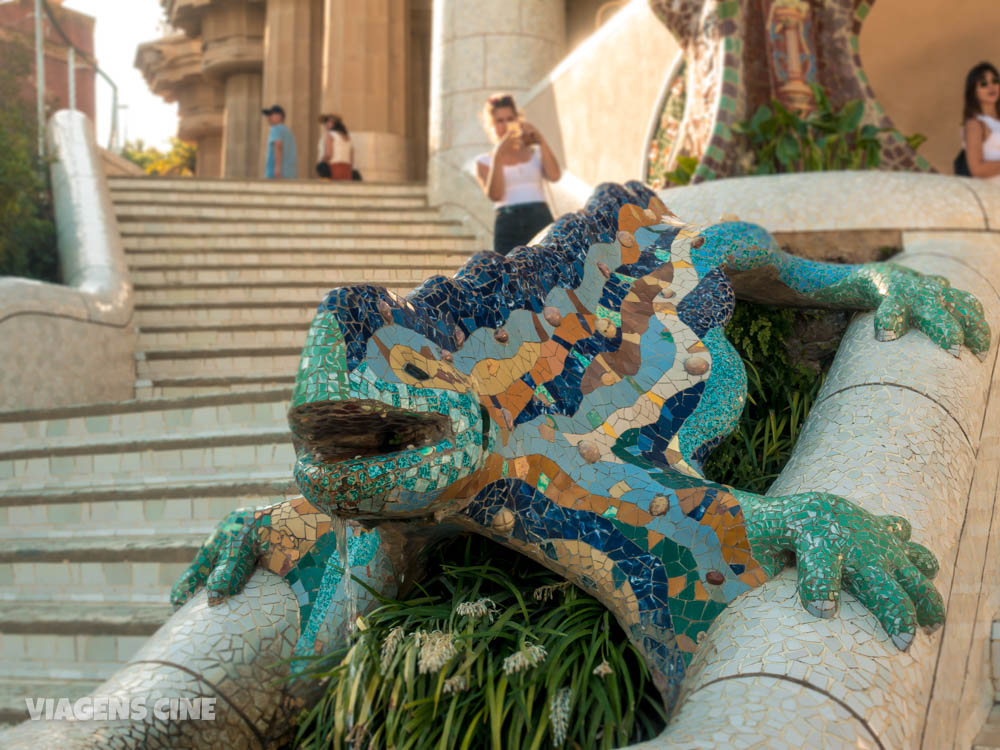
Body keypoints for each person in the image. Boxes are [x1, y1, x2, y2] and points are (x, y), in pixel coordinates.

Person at [475, 93, 561, 255]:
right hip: (508, 222)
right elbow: (495, 195)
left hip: (540, 218)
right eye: (499, 121)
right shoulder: (484, 161)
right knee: (509, 274)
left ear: (518, 120)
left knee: (545, 271)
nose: (505, 125)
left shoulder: (535, 152)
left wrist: (540, 138)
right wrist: (499, 154)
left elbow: (555, 176)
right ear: (491, 125)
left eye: (509, 119)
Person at [962, 62, 1000, 182]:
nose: (991, 87)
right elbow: (976, 169)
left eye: (995, 81)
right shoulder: (975, 124)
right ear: (974, 91)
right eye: (983, 84)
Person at [262, 105, 298, 179]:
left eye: (271, 115)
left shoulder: (275, 129)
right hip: (290, 174)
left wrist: (277, 168)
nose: (268, 118)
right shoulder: (288, 132)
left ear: (280, 116)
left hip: (276, 174)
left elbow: (278, 146)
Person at [316, 114, 353, 180]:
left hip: (334, 167)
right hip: (347, 168)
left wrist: (321, 163)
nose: (325, 125)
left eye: (327, 122)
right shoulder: (347, 137)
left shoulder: (331, 135)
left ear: (333, 123)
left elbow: (328, 154)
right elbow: (351, 154)